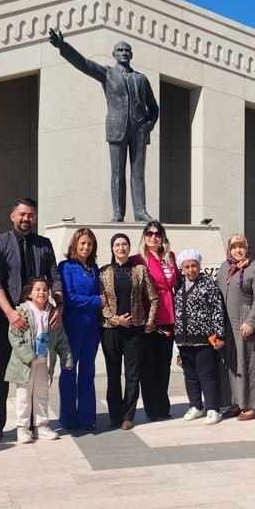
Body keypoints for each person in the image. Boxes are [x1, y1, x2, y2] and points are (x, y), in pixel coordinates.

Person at [47, 29, 160, 222]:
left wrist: (147, 127)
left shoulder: (141, 78)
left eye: (127, 50)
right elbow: (84, 64)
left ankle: (140, 211)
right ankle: (118, 212)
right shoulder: (107, 74)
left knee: (138, 173)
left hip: (139, 130)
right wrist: (63, 47)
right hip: (117, 129)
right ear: (114, 54)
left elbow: (154, 108)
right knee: (117, 172)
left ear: (131, 55)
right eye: (120, 50)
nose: (124, 52)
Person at [0, 198, 63, 443]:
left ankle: (35, 424)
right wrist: (10, 312)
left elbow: (54, 276)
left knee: (38, 372)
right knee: (4, 372)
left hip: (39, 319)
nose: (26, 219)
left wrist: (58, 305)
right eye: (21, 214)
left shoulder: (44, 244)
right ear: (12, 216)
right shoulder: (0, 243)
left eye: (30, 215)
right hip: (8, 318)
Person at [99, 233, 158, 429]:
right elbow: (101, 302)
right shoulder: (104, 272)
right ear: (112, 248)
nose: (121, 248)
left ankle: (128, 416)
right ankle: (114, 415)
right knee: (113, 373)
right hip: (111, 330)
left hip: (135, 330)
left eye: (124, 244)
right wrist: (116, 319)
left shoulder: (140, 270)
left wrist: (150, 322)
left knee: (132, 374)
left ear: (129, 247)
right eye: (117, 244)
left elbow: (153, 298)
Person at [5, 277, 73, 443]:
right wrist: (28, 356)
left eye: (45, 289)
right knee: (24, 395)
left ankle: (41, 425)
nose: (42, 292)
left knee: (42, 394)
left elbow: (61, 339)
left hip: (44, 362)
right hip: (25, 363)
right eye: (38, 289)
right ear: (29, 293)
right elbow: (14, 336)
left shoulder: (53, 313)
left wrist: (67, 358)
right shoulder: (22, 311)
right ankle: (23, 428)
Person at [216, 234, 255, 421]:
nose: (238, 250)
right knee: (232, 364)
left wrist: (252, 321)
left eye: (241, 246)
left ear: (247, 248)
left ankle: (253, 405)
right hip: (227, 325)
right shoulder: (224, 268)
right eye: (234, 247)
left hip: (245, 323)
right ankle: (236, 402)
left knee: (251, 363)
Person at [173, 250, 228, 425]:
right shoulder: (180, 287)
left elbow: (217, 311)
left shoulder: (208, 285)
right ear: (182, 269)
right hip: (184, 339)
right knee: (190, 374)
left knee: (207, 374)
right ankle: (196, 406)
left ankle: (213, 408)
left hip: (205, 339)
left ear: (199, 266)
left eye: (194, 266)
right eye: (187, 267)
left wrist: (218, 334)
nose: (191, 270)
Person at [58, 228, 104, 434]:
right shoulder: (66, 267)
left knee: (87, 372)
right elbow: (70, 297)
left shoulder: (94, 268)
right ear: (75, 244)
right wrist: (98, 301)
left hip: (92, 327)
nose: (86, 247)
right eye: (82, 243)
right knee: (68, 371)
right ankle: (68, 418)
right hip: (72, 326)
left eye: (90, 244)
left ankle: (87, 417)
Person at [137, 220, 177, 421]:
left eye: (157, 234)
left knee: (164, 364)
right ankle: (152, 408)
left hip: (169, 316)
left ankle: (163, 406)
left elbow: (176, 283)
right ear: (144, 236)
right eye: (149, 233)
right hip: (149, 319)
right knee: (149, 365)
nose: (153, 237)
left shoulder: (169, 258)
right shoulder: (139, 259)